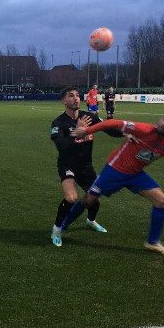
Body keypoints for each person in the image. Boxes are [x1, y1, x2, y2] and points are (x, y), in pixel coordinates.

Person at [56, 112, 164, 255]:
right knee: (89, 200)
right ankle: (63, 226)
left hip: (135, 175)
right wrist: (87, 131)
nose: (163, 123)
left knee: (161, 201)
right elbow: (112, 123)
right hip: (114, 171)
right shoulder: (143, 129)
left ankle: (152, 242)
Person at [50, 87, 130, 246]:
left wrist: (128, 133)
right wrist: (77, 132)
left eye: (77, 96)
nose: (76, 99)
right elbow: (61, 145)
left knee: (94, 200)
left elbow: (109, 129)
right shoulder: (58, 123)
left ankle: (90, 221)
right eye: (71, 96)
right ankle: (57, 229)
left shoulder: (89, 117)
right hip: (68, 165)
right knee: (71, 198)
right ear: (64, 101)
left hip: (86, 166)